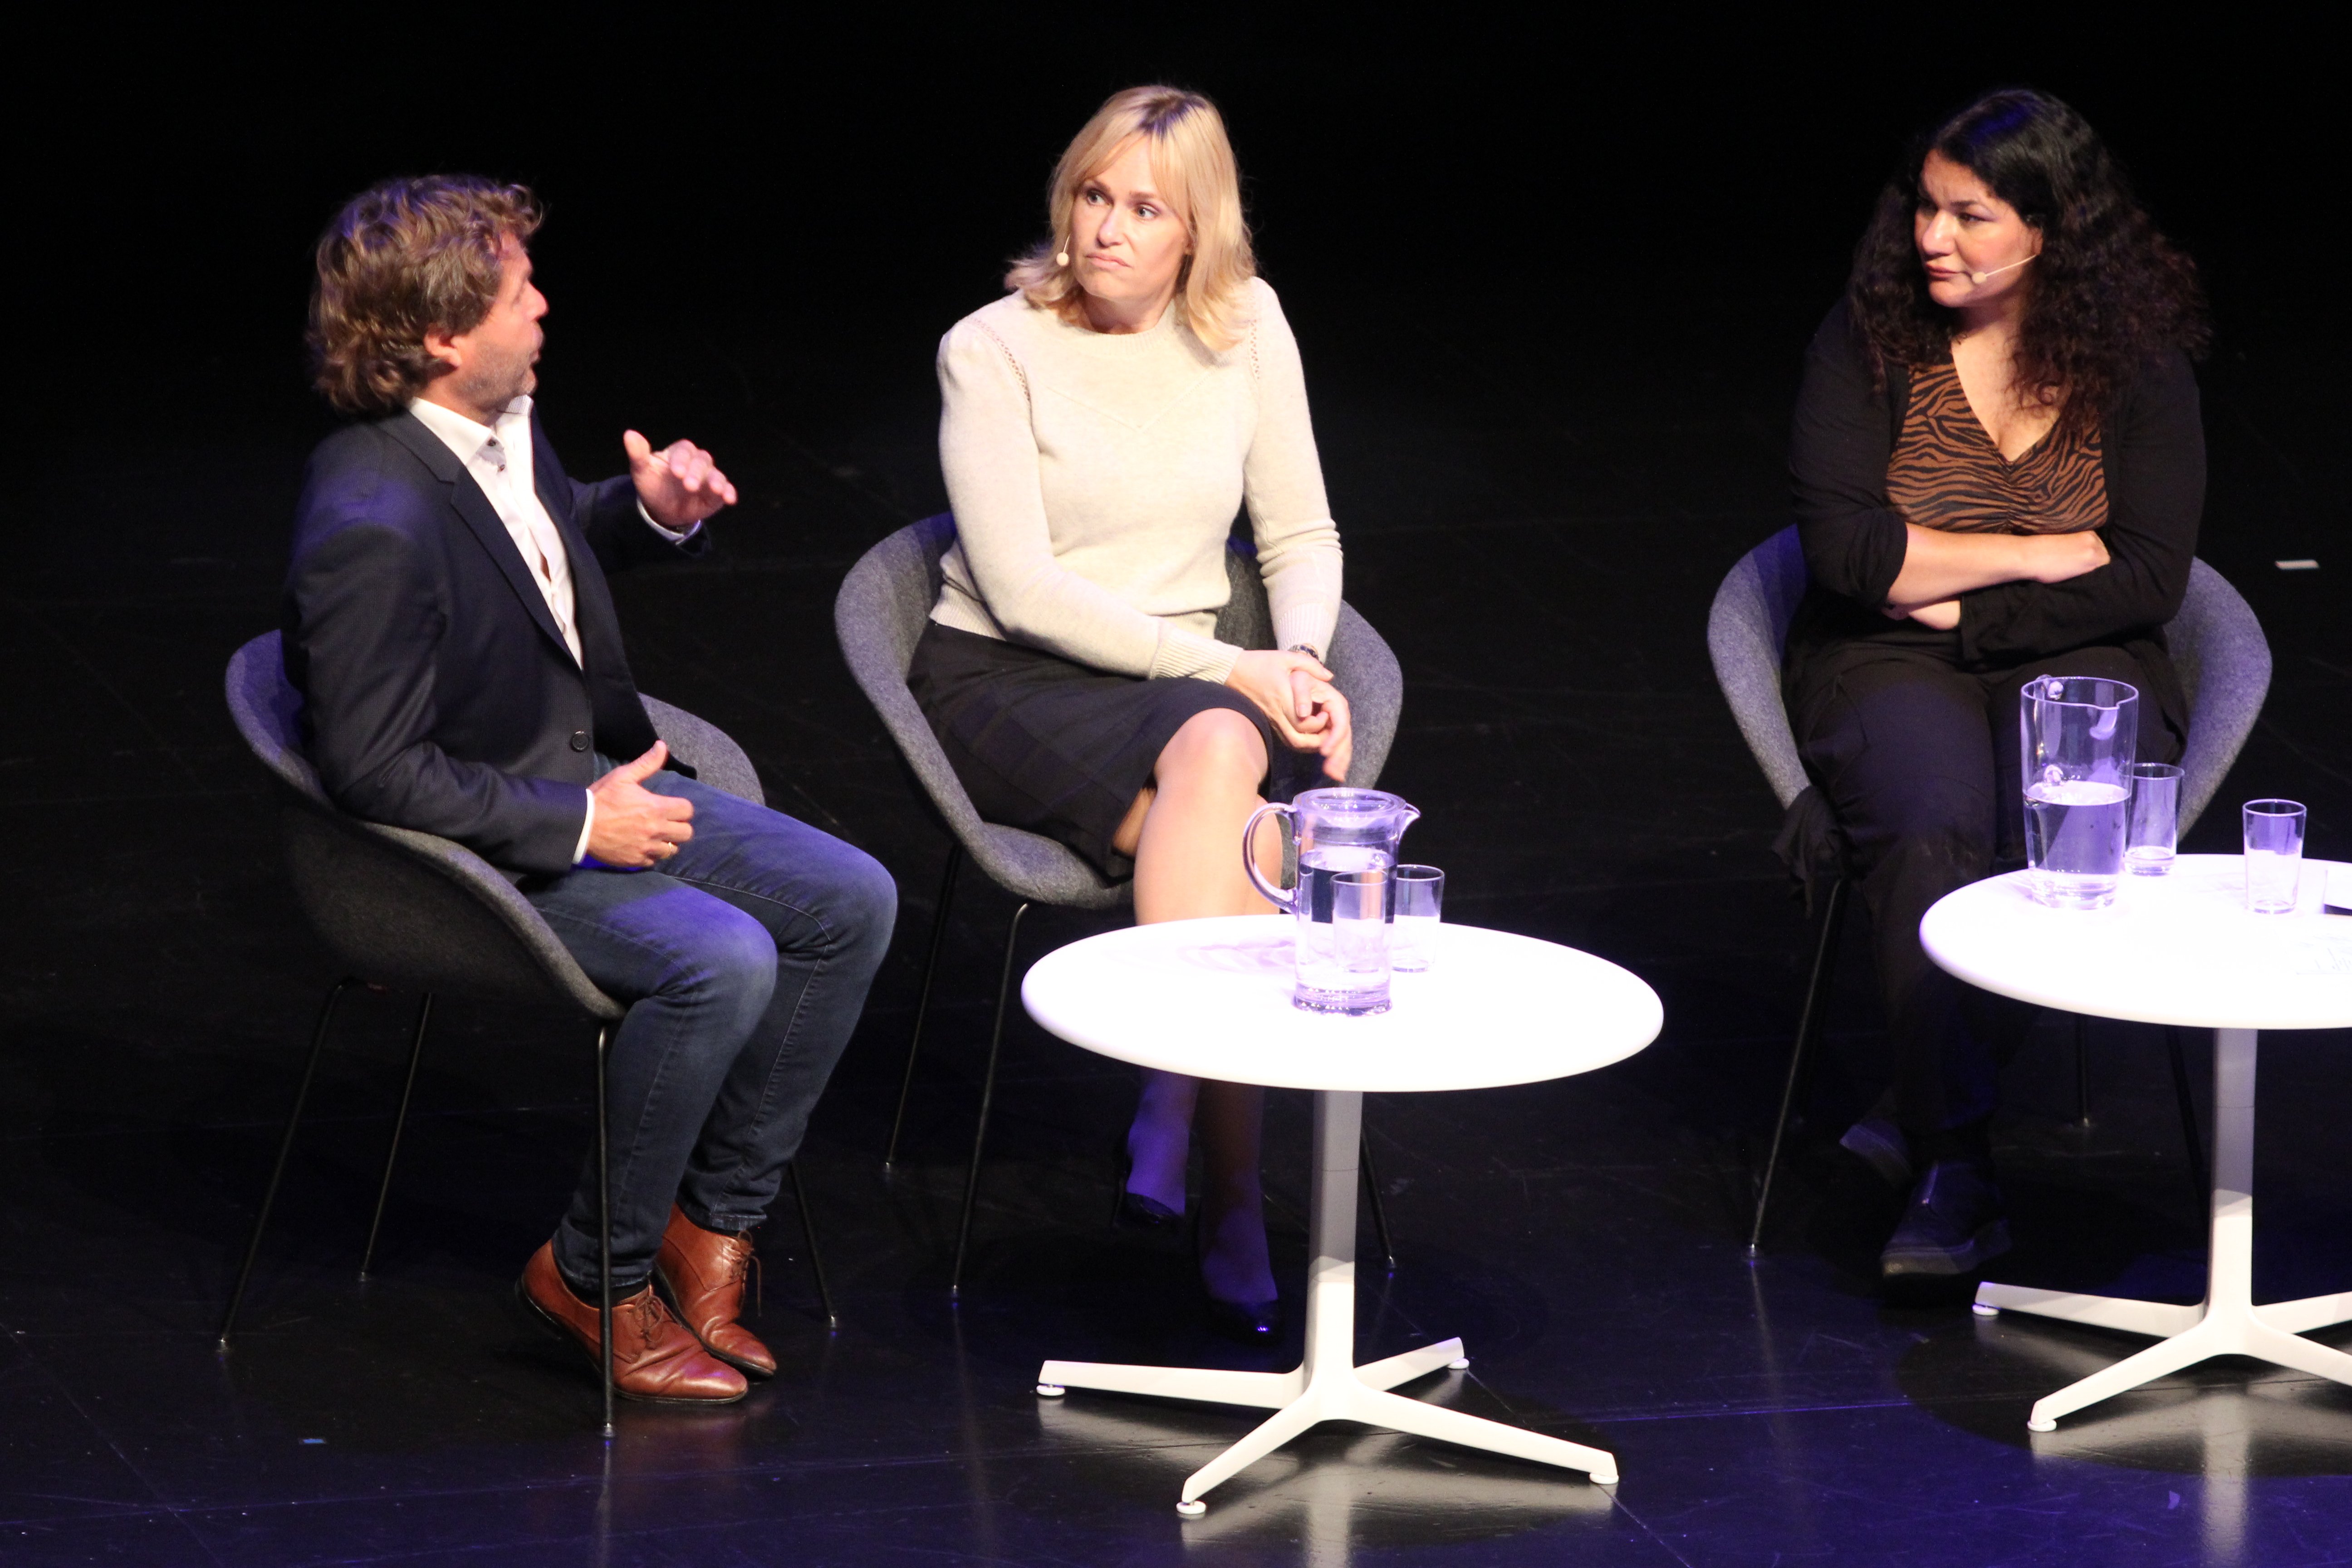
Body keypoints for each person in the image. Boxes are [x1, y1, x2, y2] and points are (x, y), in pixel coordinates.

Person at [284, 176, 897, 1402]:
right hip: (479, 849)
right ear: (447, 336)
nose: (547, 307)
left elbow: (533, 558)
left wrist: (647, 514)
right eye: (522, 292)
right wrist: (580, 823)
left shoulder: (490, 423)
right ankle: (593, 1273)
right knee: (721, 960)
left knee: (851, 901)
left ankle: (710, 1226)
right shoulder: (371, 517)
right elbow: (371, 769)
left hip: (578, 781)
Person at [907, 87, 1351, 1336]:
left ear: (1198, 231)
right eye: (1093, 197)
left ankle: (1177, 1100)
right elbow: (1021, 587)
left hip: (1175, 688)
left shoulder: (1248, 326)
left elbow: (1301, 529)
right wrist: (1231, 672)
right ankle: (1233, 1192)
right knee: (1262, 825)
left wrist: (1301, 655)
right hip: (1005, 676)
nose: (1106, 229)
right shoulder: (990, 348)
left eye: (1143, 208)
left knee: (1237, 797)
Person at [1783, 88, 2209, 1280]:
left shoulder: (2137, 366)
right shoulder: (1869, 341)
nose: (1932, 237)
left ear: (2051, 228)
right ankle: (1956, 1162)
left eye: (1970, 215)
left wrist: (1962, 594)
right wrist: (2035, 553)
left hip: (2082, 656)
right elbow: (1855, 560)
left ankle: (1908, 1111)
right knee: (1931, 822)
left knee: (2066, 842)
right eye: (1925, 208)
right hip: (1884, 655)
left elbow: (2150, 578)